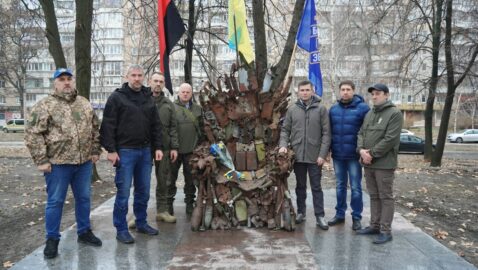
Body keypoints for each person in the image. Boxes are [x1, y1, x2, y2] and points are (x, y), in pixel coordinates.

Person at [25, 68, 102, 259]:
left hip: (83, 163)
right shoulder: (45, 105)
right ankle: (52, 239)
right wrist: (41, 160)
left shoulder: (83, 103)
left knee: (84, 198)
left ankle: (84, 232)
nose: (66, 82)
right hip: (58, 164)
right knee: (55, 202)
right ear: (55, 83)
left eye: (69, 79)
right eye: (62, 80)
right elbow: (33, 133)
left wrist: (94, 150)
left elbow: (95, 127)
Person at [100, 65, 163, 244]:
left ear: (144, 77)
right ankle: (121, 228)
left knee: (143, 191)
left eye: (139, 75)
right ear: (126, 76)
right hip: (125, 152)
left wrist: (158, 147)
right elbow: (108, 126)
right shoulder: (117, 97)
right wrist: (111, 150)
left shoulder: (148, 97)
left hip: (145, 152)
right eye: (133, 75)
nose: (136, 78)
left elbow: (155, 125)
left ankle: (141, 222)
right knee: (123, 193)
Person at [279, 80, 331, 230]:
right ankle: (301, 212)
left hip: (315, 157)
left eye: (307, 90)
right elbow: (285, 130)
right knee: (300, 187)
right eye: (302, 90)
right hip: (298, 156)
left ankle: (320, 216)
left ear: (312, 91)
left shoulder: (321, 109)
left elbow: (327, 134)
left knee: (316, 187)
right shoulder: (292, 110)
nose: (305, 92)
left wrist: (322, 154)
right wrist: (283, 146)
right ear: (298, 92)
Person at [356, 83, 403, 244]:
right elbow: (361, 133)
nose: (374, 96)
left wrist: (371, 154)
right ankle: (374, 225)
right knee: (374, 196)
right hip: (368, 163)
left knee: (385, 197)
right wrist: (361, 150)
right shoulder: (370, 113)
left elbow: (390, 139)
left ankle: (385, 230)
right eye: (373, 94)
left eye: (378, 93)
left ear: (386, 95)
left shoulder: (394, 113)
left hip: (384, 164)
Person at [328, 80, 369, 231]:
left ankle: (356, 217)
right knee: (340, 186)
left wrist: (364, 150)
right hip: (338, 155)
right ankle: (339, 215)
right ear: (339, 92)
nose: (345, 92)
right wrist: (328, 151)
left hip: (354, 155)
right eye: (343, 89)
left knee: (356, 187)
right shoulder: (333, 109)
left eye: (348, 89)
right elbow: (329, 132)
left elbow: (367, 131)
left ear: (353, 91)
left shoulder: (363, 108)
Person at [170, 83, 204, 218]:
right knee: (170, 179)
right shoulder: (171, 108)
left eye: (187, 92)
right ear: (179, 93)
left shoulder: (198, 109)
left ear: (191, 94)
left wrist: (200, 148)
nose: (185, 94)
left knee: (190, 180)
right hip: (175, 151)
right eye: (183, 92)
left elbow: (202, 129)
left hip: (191, 151)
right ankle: (168, 206)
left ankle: (190, 203)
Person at [150, 72, 179, 223]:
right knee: (140, 182)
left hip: (165, 147)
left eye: (161, 81)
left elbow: (173, 127)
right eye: (155, 81)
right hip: (145, 147)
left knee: (163, 180)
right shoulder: (143, 101)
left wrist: (174, 147)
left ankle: (162, 210)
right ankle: (137, 214)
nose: (158, 84)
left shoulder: (169, 104)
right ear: (150, 82)